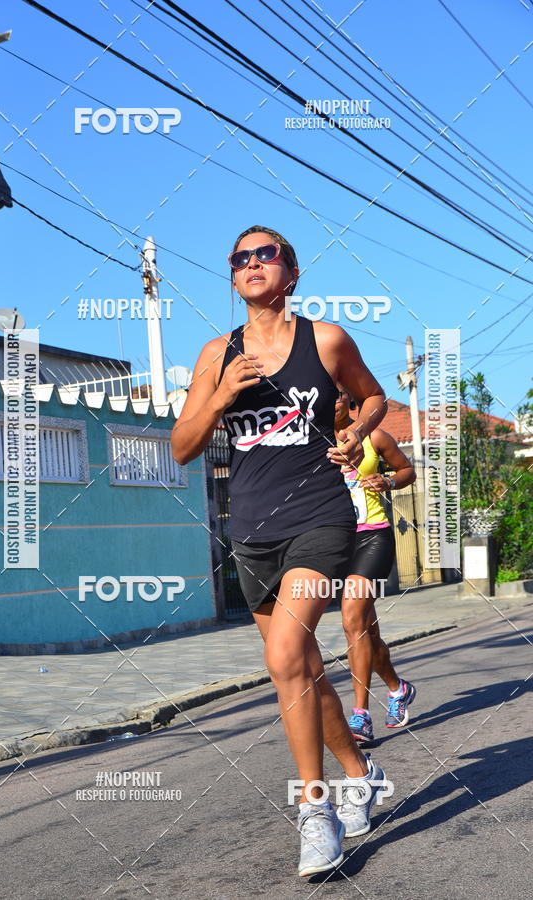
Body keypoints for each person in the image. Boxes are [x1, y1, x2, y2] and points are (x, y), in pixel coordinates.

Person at [172, 225, 390, 877]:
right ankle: (361, 773)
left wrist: (356, 433)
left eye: (265, 254)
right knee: (304, 669)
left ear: (291, 273)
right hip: (251, 532)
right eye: (239, 258)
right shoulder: (216, 354)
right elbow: (181, 447)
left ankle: (314, 811)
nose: (251, 264)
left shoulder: (325, 340)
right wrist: (219, 396)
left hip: (320, 517)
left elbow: (374, 396)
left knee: (285, 656)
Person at [333, 387, 417, 744]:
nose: (333, 401)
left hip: (373, 537)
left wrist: (389, 481)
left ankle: (361, 715)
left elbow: (407, 470)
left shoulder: (374, 437)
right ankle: (398, 689)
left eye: (339, 394)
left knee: (352, 618)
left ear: (350, 401)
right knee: (366, 632)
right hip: (335, 543)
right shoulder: (310, 441)